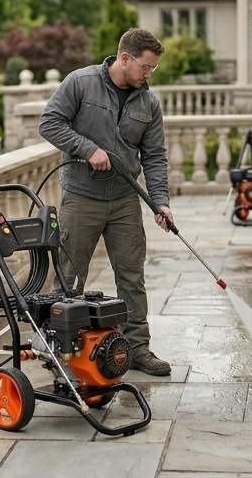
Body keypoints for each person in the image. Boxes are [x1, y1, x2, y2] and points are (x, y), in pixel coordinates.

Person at [38, 29, 174, 377]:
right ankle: (61, 353)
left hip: (125, 200)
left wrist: (160, 201)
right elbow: (49, 122)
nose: (148, 75)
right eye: (146, 67)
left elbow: (155, 156)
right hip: (82, 197)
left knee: (131, 276)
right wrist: (88, 149)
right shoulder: (80, 83)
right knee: (70, 279)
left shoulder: (148, 102)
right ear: (124, 58)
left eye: (153, 70)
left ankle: (137, 348)